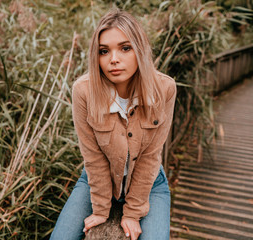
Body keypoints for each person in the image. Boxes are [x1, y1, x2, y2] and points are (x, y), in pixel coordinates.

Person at [50, 8, 176, 240]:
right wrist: (100, 209)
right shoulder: (84, 91)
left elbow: (150, 156)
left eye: (125, 48)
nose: (114, 59)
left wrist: (132, 213)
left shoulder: (164, 89)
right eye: (104, 51)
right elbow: (93, 156)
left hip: (149, 182)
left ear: (140, 50)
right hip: (97, 179)